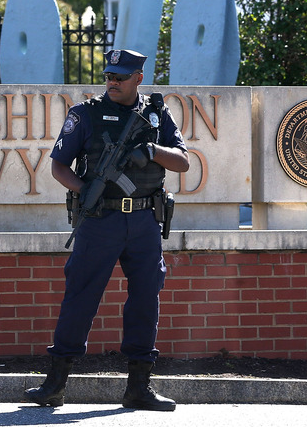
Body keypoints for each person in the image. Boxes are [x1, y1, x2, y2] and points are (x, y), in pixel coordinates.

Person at [23, 49, 189, 411]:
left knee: (146, 299)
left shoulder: (158, 115)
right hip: (100, 220)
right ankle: (55, 384)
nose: (112, 81)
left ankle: (139, 388)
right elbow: (59, 167)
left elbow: (183, 161)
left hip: (145, 220)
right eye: (109, 75)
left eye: (120, 76)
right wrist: (86, 193)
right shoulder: (85, 114)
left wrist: (152, 150)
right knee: (81, 297)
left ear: (138, 79)